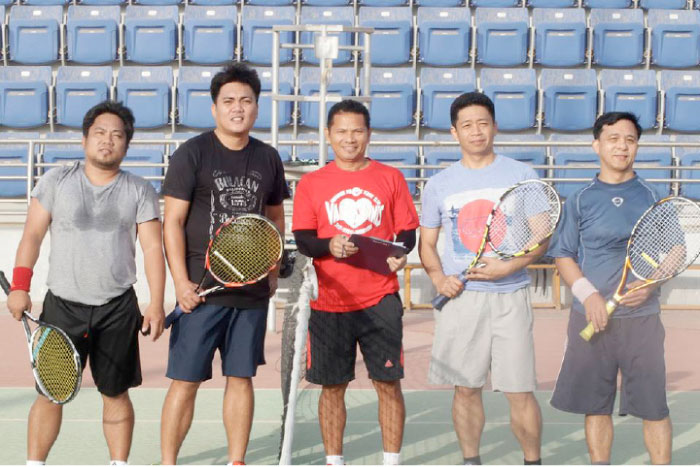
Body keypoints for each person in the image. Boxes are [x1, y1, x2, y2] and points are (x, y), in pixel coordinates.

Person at [6, 100, 166, 465]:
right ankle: (35, 463)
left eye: (117, 135)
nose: (107, 141)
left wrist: (155, 303)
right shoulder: (56, 181)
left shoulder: (139, 190)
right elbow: (31, 235)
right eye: (99, 133)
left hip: (117, 308)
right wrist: (19, 286)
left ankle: (118, 463)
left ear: (126, 144)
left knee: (116, 392)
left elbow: (153, 249)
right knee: (50, 393)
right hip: (62, 305)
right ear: (84, 140)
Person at [159, 63, 289, 465]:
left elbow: (275, 218)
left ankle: (236, 460)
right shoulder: (192, 153)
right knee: (185, 382)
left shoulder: (268, 157)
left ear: (256, 107)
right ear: (215, 108)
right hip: (200, 292)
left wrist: (269, 270)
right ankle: (168, 462)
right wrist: (180, 283)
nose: (238, 108)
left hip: (248, 293)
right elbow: (172, 224)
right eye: (229, 101)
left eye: (246, 101)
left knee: (241, 378)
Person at [291, 99, 419, 465]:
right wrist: (329, 245)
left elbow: (407, 231)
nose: (350, 138)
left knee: (387, 383)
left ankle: (391, 460)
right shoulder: (313, 183)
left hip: (380, 297)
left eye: (357, 131)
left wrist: (401, 251)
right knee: (332, 388)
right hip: (329, 300)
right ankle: (335, 460)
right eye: (342, 131)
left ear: (368, 134)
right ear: (329, 135)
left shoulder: (390, 177)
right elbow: (303, 239)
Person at [419, 92, 543, 465]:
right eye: (467, 125)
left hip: (511, 296)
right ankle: (471, 460)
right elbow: (427, 244)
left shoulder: (522, 175)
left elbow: (541, 236)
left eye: (482, 123)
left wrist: (511, 266)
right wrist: (439, 278)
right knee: (466, 389)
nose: (476, 132)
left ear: (495, 127)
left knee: (520, 390)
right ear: (454, 132)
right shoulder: (439, 184)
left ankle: (532, 461)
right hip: (461, 301)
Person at [548, 112, 671, 465]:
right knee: (595, 405)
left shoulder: (652, 195)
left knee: (654, 408)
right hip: (591, 317)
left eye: (630, 139)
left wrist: (651, 284)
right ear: (597, 145)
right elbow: (564, 255)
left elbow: (675, 250)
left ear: (636, 147)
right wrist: (589, 296)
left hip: (642, 320)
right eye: (614, 138)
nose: (622, 146)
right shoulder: (581, 199)